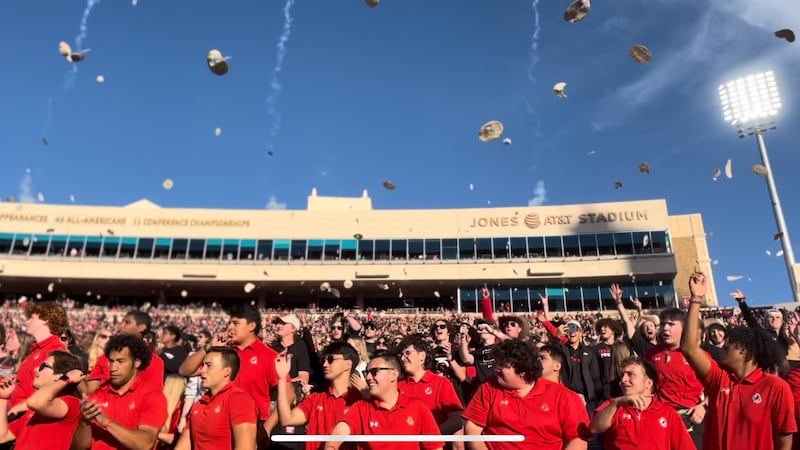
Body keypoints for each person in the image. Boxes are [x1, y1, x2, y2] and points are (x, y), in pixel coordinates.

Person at [682, 271, 796, 450]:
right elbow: (689, 348)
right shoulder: (719, 380)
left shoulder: (776, 387)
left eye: (731, 344)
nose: (725, 346)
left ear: (747, 351)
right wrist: (696, 299)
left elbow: (784, 441)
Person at [180, 304, 280, 449]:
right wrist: (208, 347)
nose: (230, 327)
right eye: (229, 323)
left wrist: (267, 427)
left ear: (251, 326)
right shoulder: (223, 354)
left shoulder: (268, 355)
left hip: (252, 425)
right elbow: (186, 370)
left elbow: (289, 395)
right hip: (218, 421)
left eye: (236, 323)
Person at [462, 339, 589, 450]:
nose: (496, 369)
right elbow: (472, 428)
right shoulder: (489, 387)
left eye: (503, 365)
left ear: (522, 371)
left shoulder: (564, 397)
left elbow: (578, 440)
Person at [326, 352, 443, 450]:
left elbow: (435, 447)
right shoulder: (361, 408)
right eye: (367, 373)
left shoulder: (417, 407)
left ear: (393, 375)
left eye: (374, 372)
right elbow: (337, 434)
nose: (368, 378)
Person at [72, 334, 168, 450]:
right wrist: (84, 422)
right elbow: (79, 447)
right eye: (111, 361)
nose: (113, 368)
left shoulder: (152, 396)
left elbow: (145, 444)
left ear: (136, 363)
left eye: (120, 361)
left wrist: (106, 422)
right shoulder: (97, 395)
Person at [274, 342, 364, 450]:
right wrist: (282, 379)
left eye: (331, 359)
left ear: (348, 364)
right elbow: (287, 419)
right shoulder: (315, 399)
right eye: (323, 360)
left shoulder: (360, 401)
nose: (325, 364)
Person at [590, 357, 693, 450]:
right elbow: (594, 428)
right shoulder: (612, 405)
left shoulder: (667, 413)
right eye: (622, 375)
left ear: (648, 383)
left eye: (630, 375)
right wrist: (617, 403)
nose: (623, 380)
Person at [644, 307, 708, 449]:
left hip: (691, 419)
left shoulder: (697, 355)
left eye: (671, 324)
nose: (665, 328)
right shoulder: (650, 354)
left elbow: (718, 386)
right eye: (663, 324)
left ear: (684, 328)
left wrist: (703, 406)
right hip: (660, 418)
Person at [174, 347, 257, 450]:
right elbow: (183, 446)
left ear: (226, 372)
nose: (202, 370)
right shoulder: (199, 404)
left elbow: (246, 447)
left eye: (209, 366)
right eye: (203, 365)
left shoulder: (238, 400)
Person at [0, 350, 84, 449]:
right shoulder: (34, 410)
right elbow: (2, 436)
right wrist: (3, 398)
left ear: (58, 376)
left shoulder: (70, 403)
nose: (36, 369)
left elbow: (34, 402)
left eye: (43, 366)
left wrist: (66, 379)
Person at [84, 310, 164, 394]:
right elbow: (90, 390)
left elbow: (155, 395)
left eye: (127, 322)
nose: (121, 326)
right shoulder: (106, 357)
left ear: (141, 328)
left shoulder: (155, 361)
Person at [396, 335, 463, 436]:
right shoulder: (397, 386)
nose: (402, 358)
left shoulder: (441, 383)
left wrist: (430, 439)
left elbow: (456, 420)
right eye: (401, 354)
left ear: (422, 356)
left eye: (407, 353)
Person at [9, 303, 68, 412]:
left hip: (24, 419)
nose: (28, 322)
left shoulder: (56, 350)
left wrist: (19, 409)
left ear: (45, 319)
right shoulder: (36, 349)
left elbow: (49, 394)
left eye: (32, 317)